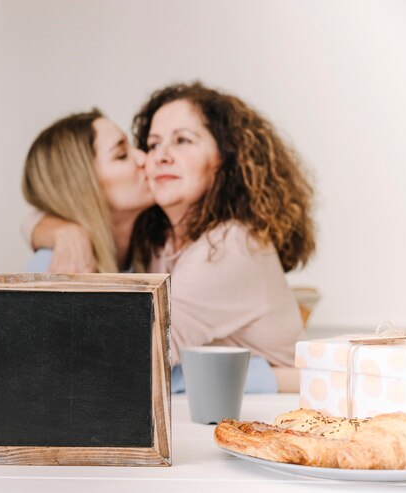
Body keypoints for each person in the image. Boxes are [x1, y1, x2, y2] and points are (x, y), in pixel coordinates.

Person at [26, 82, 315, 392]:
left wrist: (271, 378)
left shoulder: (229, 245)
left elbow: (129, 359)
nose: (156, 157)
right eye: (152, 144)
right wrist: (60, 229)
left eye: (182, 140)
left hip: (269, 417)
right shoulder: (156, 239)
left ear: (225, 157)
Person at [21, 108, 153, 274]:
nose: (143, 158)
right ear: (81, 184)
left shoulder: (148, 247)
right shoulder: (54, 268)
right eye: (121, 155)